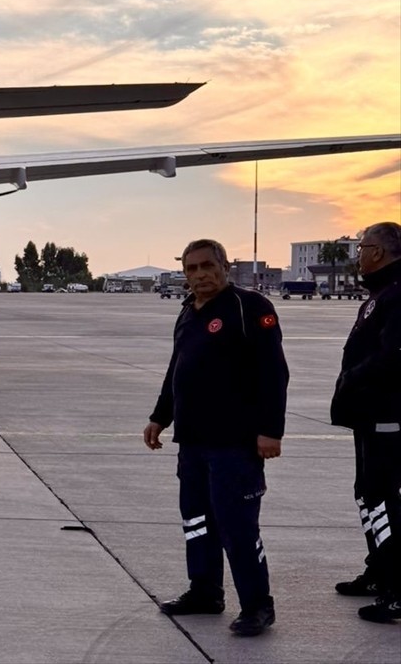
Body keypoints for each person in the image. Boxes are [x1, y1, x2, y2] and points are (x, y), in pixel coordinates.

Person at [143, 238, 288, 638]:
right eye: (191, 269)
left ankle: (257, 606)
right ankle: (205, 592)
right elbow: (178, 368)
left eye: (208, 266)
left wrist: (270, 430)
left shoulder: (249, 307)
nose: (200, 275)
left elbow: (274, 373)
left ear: (225, 266)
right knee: (196, 521)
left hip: (235, 444)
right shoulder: (188, 311)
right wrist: (160, 417)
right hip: (192, 442)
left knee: (237, 528)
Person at [330, 221, 401, 624]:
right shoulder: (382, 293)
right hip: (368, 414)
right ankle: (379, 571)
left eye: (362, 247)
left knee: (383, 497)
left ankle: (396, 587)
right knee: (368, 494)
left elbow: (394, 355)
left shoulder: (397, 294)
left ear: (378, 251)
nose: (358, 255)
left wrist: (354, 377)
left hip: (387, 415)